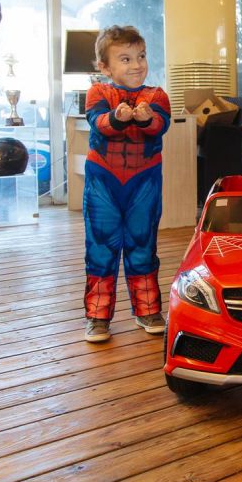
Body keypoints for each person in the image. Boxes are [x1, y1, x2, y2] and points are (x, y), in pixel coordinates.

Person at [81, 25, 171, 343]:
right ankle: (97, 316)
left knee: (143, 245)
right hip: (103, 180)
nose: (136, 65)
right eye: (125, 59)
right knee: (100, 247)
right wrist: (118, 118)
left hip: (144, 181)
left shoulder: (157, 95)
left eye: (141, 56)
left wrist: (146, 119)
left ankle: (147, 310)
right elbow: (99, 122)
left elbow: (160, 124)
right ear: (105, 67)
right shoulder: (97, 92)